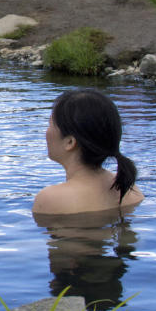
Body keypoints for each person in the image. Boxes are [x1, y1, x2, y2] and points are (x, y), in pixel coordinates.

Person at [33, 88, 144, 216]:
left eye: (50, 124)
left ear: (70, 142)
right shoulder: (129, 189)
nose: (46, 132)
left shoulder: (50, 199)